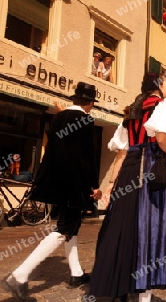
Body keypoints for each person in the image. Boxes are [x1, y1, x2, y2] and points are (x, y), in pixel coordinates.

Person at [89, 72, 166, 301]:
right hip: (153, 169)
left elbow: (122, 152)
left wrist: (113, 184)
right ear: (157, 86)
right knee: (152, 226)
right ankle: (145, 294)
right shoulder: (164, 106)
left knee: (124, 226)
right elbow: (162, 138)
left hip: (130, 171)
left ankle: (119, 284)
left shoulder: (132, 110)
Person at [2, 82, 102, 302]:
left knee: (71, 226)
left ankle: (76, 273)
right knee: (65, 228)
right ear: (91, 103)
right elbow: (87, 157)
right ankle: (18, 276)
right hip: (74, 184)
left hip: (55, 182)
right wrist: (94, 186)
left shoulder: (58, 118)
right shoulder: (86, 120)